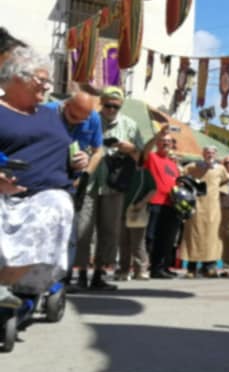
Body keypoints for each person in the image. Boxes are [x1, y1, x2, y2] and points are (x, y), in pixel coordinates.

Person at [0, 47, 86, 305]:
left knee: (55, 206)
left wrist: (77, 161)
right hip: (5, 193)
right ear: (18, 77)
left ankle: (15, 286)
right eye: (42, 79)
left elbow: (62, 150)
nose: (47, 86)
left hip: (46, 193)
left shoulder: (50, 115)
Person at [45, 90, 104, 289]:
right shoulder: (46, 112)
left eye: (83, 119)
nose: (78, 122)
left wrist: (87, 170)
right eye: (73, 117)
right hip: (46, 180)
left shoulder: (93, 118)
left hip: (75, 184)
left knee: (69, 234)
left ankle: (62, 279)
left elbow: (98, 151)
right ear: (66, 105)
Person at [92, 86, 143, 283]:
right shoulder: (91, 120)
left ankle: (101, 271)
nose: (111, 110)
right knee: (83, 229)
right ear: (101, 103)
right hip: (90, 182)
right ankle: (77, 272)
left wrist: (131, 149)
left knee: (110, 230)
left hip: (115, 183)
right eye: (107, 105)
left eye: (115, 106)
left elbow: (142, 157)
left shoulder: (130, 125)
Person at [181, 147, 229, 278]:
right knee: (193, 235)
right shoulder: (192, 166)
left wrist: (222, 192)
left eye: (213, 152)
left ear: (216, 154)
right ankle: (191, 268)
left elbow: (227, 181)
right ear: (202, 154)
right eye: (207, 152)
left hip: (213, 207)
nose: (210, 155)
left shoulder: (220, 168)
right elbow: (180, 177)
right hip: (195, 206)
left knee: (212, 237)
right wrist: (186, 192)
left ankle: (209, 267)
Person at [142, 126, 181, 279]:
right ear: (157, 143)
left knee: (167, 238)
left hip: (171, 204)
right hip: (155, 202)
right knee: (151, 236)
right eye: (162, 141)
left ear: (172, 144)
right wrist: (157, 134)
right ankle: (148, 267)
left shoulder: (173, 164)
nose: (165, 143)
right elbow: (145, 150)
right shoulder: (152, 157)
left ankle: (162, 267)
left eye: (169, 141)